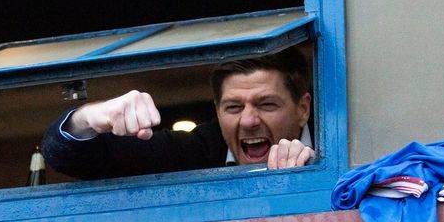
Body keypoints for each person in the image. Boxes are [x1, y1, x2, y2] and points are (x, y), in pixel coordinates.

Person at [41, 48, 315, 180]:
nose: (249, 121)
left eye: (266, 104)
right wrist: (88, 118)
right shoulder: (196, 149)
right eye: (233, 107)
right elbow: (69, 158)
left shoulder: (340, 143)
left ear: (303, 109)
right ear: (217, 111)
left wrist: (312, 170)